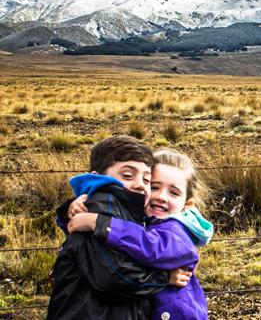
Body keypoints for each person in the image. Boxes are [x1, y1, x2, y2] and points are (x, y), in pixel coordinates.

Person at [68, 148, 213, 320]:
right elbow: (94, 240)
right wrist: (74, 211)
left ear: (187, 205)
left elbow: (150, 246)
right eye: (154, 186)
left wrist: (100, 223)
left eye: (173, 192)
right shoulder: (139, 221)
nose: (161, 197)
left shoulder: (178, 231)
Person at [47, 135, 171, 320]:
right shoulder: (103, 205)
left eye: (147, 180)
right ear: (97, 177)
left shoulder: (131, 212)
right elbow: (114, 277)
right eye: (127, 175)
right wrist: (165, 278)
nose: (139, 185)